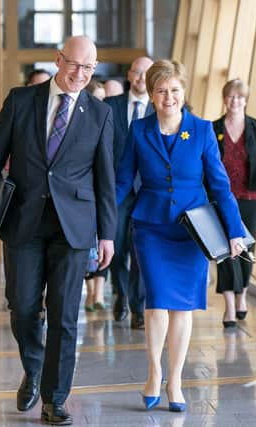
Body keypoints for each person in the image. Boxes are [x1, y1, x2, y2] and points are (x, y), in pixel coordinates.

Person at [0, 36, 116, 426]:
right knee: (22, 306)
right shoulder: (21, 101)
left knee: (65, 315)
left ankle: (55, 398)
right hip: (23, 222)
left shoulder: (100, 114)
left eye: (88, 68)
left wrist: (107, 234)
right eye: (73, 65)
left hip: (74, 227)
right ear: (57, 60)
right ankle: (34, 366)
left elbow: (106, 179)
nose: (80, 75)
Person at [115, 59, 246, 412]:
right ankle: (154, 371)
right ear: (152, 94)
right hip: (152, 228)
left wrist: (235, 232)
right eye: (161, 91)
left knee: (183, 309)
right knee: (156, 302)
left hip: (192, 233)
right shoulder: (139, 131)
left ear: (183, 92)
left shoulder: (201, 131)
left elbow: (220, 187)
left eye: (174, 90)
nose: (168, 97)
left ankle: (176, 380)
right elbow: (124, 181)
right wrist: (100, 220)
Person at [212, 78, 256, 328]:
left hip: (250, 198)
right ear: (224, 99)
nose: (234, 101)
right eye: (230, 96)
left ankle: (242, 295)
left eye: (239, 97)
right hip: (222, 198)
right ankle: (229, 305)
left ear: (246, 100)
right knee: (226, 251)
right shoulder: (213, 127)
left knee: (246, 249)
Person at [104, 56, 154, 329]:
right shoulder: (110, 106)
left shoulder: (159, 109)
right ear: (129, 74)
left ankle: (137, 306)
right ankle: (121, 294)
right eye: (137, 72)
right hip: (117, 191)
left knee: (140, 251)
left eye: (147, 73)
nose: (141, 78)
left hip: (147, 192)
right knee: (117, 247)